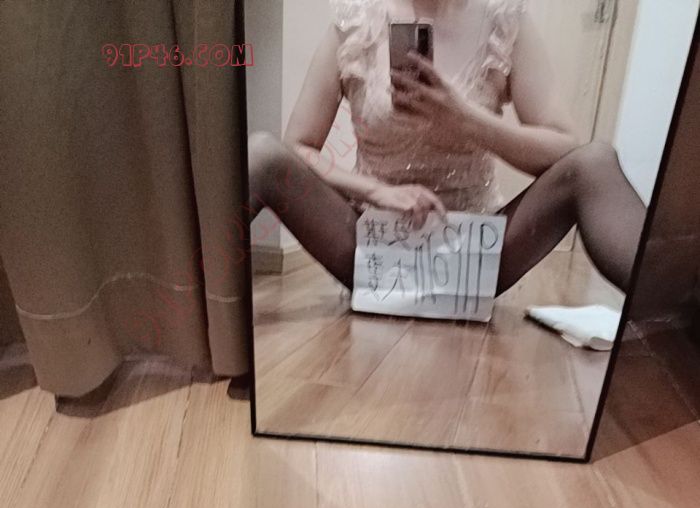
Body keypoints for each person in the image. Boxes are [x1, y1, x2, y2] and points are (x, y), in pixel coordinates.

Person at [246, 0, 646, 295]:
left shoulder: (504, 21)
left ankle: (669, 321)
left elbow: (565, 148)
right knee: (262, 154)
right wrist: (376, 191)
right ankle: (219, 332)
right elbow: (298, 146)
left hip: (478, 248)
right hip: (372, 242)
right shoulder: (355, 21)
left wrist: (467, 119)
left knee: (595, 163)